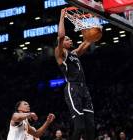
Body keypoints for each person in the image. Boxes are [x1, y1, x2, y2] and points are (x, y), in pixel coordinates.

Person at [55, 8, 96, 140]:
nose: (71, 41)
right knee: (80, 127)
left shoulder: (74, 54)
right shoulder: (60, 53)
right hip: (72, 88)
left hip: (84, 88)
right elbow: (61, 36)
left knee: (91, 128)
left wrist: (93, 23)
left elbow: (88, 42)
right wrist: (62, 16)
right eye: (68, 39)